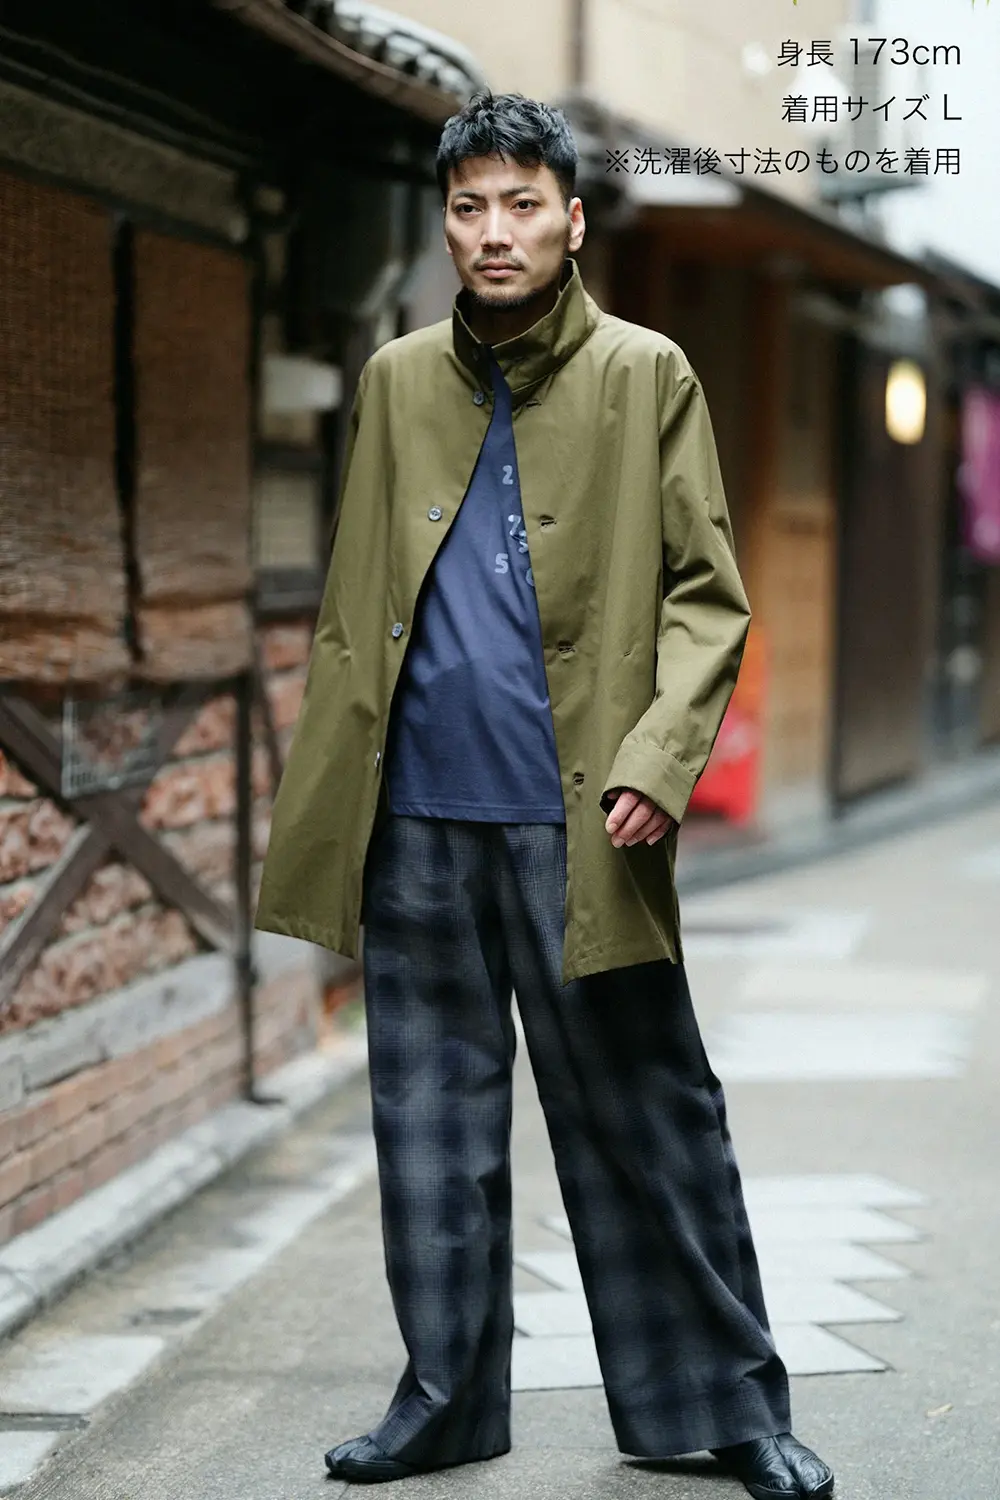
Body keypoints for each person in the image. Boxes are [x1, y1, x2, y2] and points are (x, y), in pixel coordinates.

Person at [253, 91, 834, 1500]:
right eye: (470, 208)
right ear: (446, 225)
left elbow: (708, 597)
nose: (495, 232)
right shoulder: (397, 381)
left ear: (573, 221)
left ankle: (728, 1408)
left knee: (648, 1117)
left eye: (523, 205)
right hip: (415, 818)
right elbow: (359, 603)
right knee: (428, 1131)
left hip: (583, 820)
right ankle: (445, 1402)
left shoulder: (648, 374)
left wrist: (660, 760)